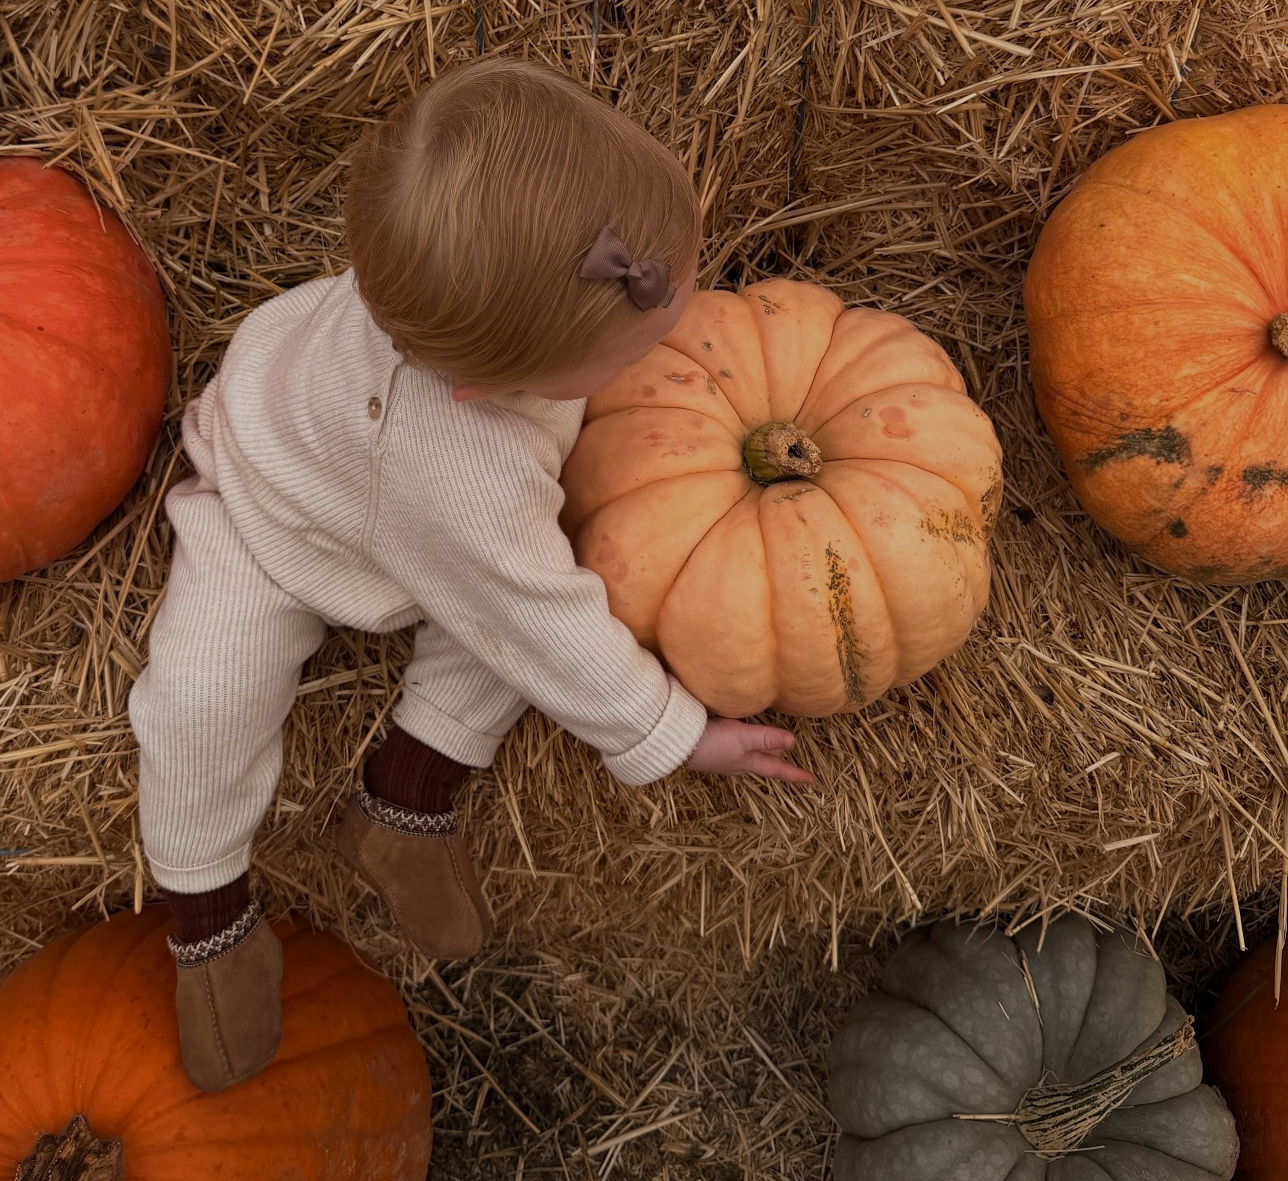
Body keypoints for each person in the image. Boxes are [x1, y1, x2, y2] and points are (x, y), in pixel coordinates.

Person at [129, 58, 814, 1091]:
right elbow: (542, 618)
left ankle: (402, 799)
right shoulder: (467, 466)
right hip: (276, 512)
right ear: (487, 387)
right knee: (204, 691)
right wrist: (673, 732)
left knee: (526, 596)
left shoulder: (467, 297)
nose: (668, 325)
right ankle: (211, 916)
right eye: (636, 347)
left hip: (428, 521)